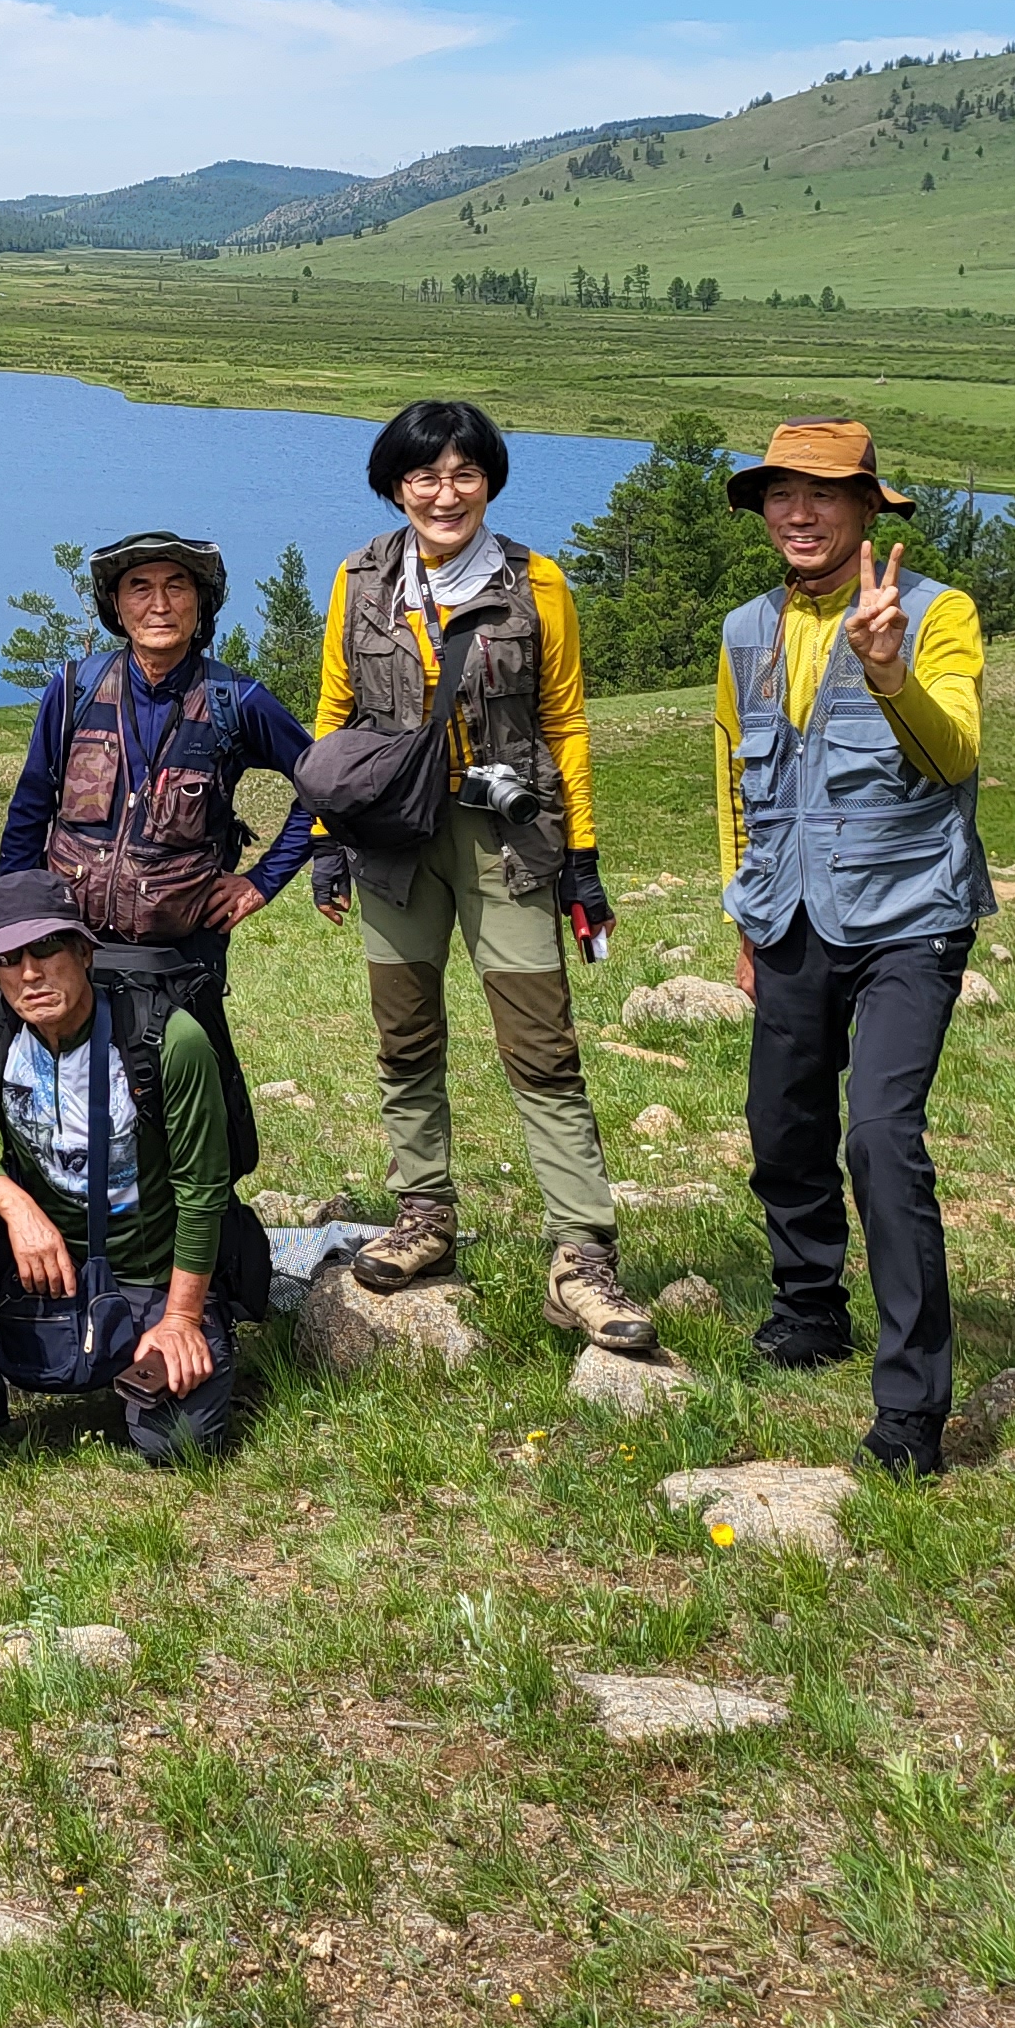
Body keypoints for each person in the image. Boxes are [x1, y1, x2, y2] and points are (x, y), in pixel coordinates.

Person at [299, 401, 654, 1357]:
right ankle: (424, 1215)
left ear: (490, 481)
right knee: (405, 1036)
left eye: (464, 474)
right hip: (392, 842)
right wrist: (326, 838)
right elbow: (335, 709)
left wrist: (581, 857)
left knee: (541, 1047)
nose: (445, 493)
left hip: (506, 840)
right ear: (396, 485)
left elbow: (564, 722)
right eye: (425, 475)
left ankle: (582, 1257)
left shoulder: (537, 582)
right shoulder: (359, 578)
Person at [715, 421, 992, 1479]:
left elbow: (953, 754)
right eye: (780, 494)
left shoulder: (939, 614)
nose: (798, 513)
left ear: (870, 508)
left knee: (879, 1136)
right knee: (780, 1123)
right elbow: (735, 783)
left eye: (823, 494)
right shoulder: (745, 629)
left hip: (912, 917)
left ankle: (912, 1407)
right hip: (789, 914)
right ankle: (808, 1309)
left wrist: (888, 671)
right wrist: (746, 915)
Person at [0, 529, 318, 1175]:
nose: (160, 604)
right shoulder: (74, 690)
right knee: (62, 1111)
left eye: (178, 586)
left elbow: (325, 786)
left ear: (203, 603)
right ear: (116, 606)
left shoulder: (236, 701)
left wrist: (262, 882)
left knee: (184, 1116)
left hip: (180, 960)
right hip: (73, 948)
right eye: (139, 587)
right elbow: (29, 810)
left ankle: (195, 1229)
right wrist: (15, 933)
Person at [0, 869, 241, 1467]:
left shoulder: (169, 1040)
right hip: (47, 1264)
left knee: (176, 1444)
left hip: (151, 1275)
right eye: (6, 959)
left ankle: (203, 1323)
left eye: (46, 949)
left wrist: (181, 1318)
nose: (28, 974)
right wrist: (19, 1211)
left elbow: (203, 1192)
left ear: (84, 951)